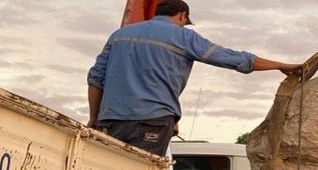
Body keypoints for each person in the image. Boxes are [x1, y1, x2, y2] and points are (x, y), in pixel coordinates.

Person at [87, 0, 302, 156]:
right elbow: (234, 59)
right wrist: (281, 65)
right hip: (152, 119)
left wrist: (94, 118)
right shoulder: (183, 36)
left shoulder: (119, 36)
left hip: (112, 120)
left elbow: (96, 78)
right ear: (182, 15)